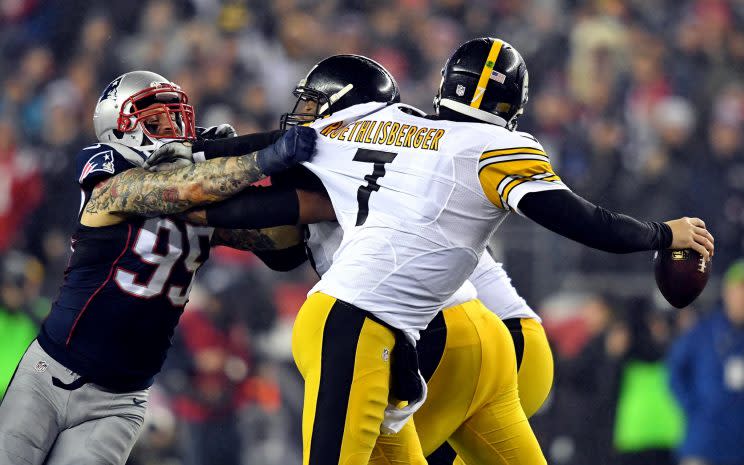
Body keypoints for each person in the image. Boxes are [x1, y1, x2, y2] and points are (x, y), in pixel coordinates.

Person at [150, 44, 713, 464]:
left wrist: (179, 173)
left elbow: (267, 191)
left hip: (373, 323)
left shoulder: (377, 132)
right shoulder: (436, 133)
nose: (302, 113)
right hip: (477, 338)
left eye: (314, 104)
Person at [0, 70, 316, 465]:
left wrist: (286, 175)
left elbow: (284, 245)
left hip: (120, 400)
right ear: (119, 128)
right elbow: (172, 191)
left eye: (177, 118)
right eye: (155, 121)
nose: (173, 131)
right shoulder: (110, 178)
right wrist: (261, 159)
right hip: (49, 376)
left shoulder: (201, 202)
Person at [667, 259, 744, 465]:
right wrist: (695, 408)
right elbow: (674, 372)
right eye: (739, 289)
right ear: (727, 292)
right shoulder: (703, 331)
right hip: (704, 443)